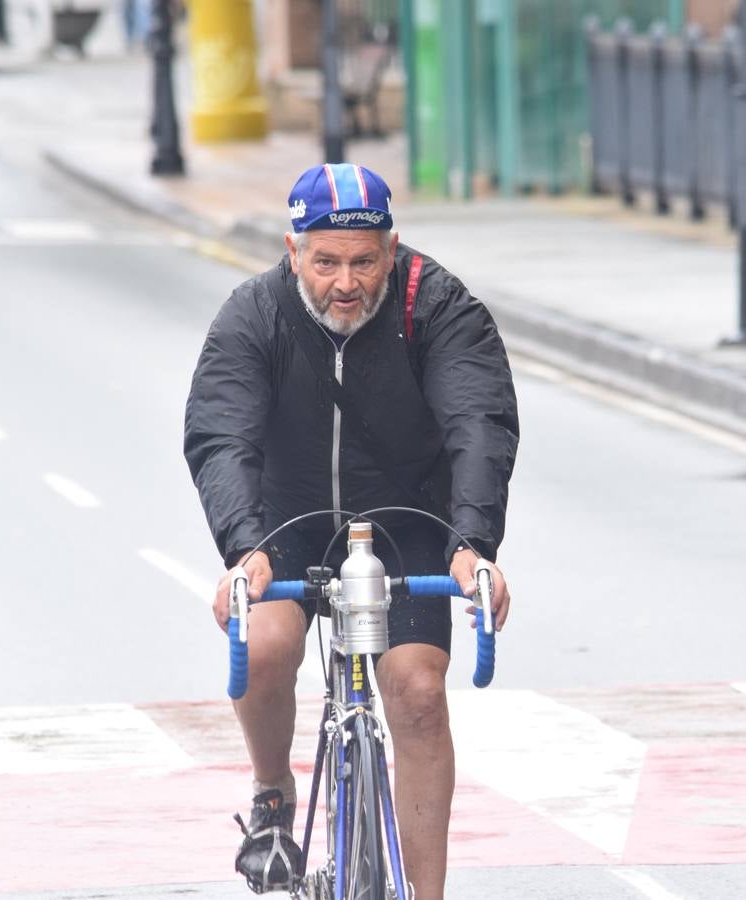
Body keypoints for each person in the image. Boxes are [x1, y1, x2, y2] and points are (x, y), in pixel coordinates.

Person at [183, 163, 519, 898]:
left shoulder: (438, 308)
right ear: (293, 249)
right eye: (326, 261)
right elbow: (221, 435)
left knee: (419, 693)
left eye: (364, 261)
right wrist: (244, 549)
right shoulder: (255, 314)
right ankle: (274, 793)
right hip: (288, 520)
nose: (345, 282)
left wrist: (471, 545)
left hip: (410, 523)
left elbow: (478, 426)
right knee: (265, 645)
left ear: (391, 251)